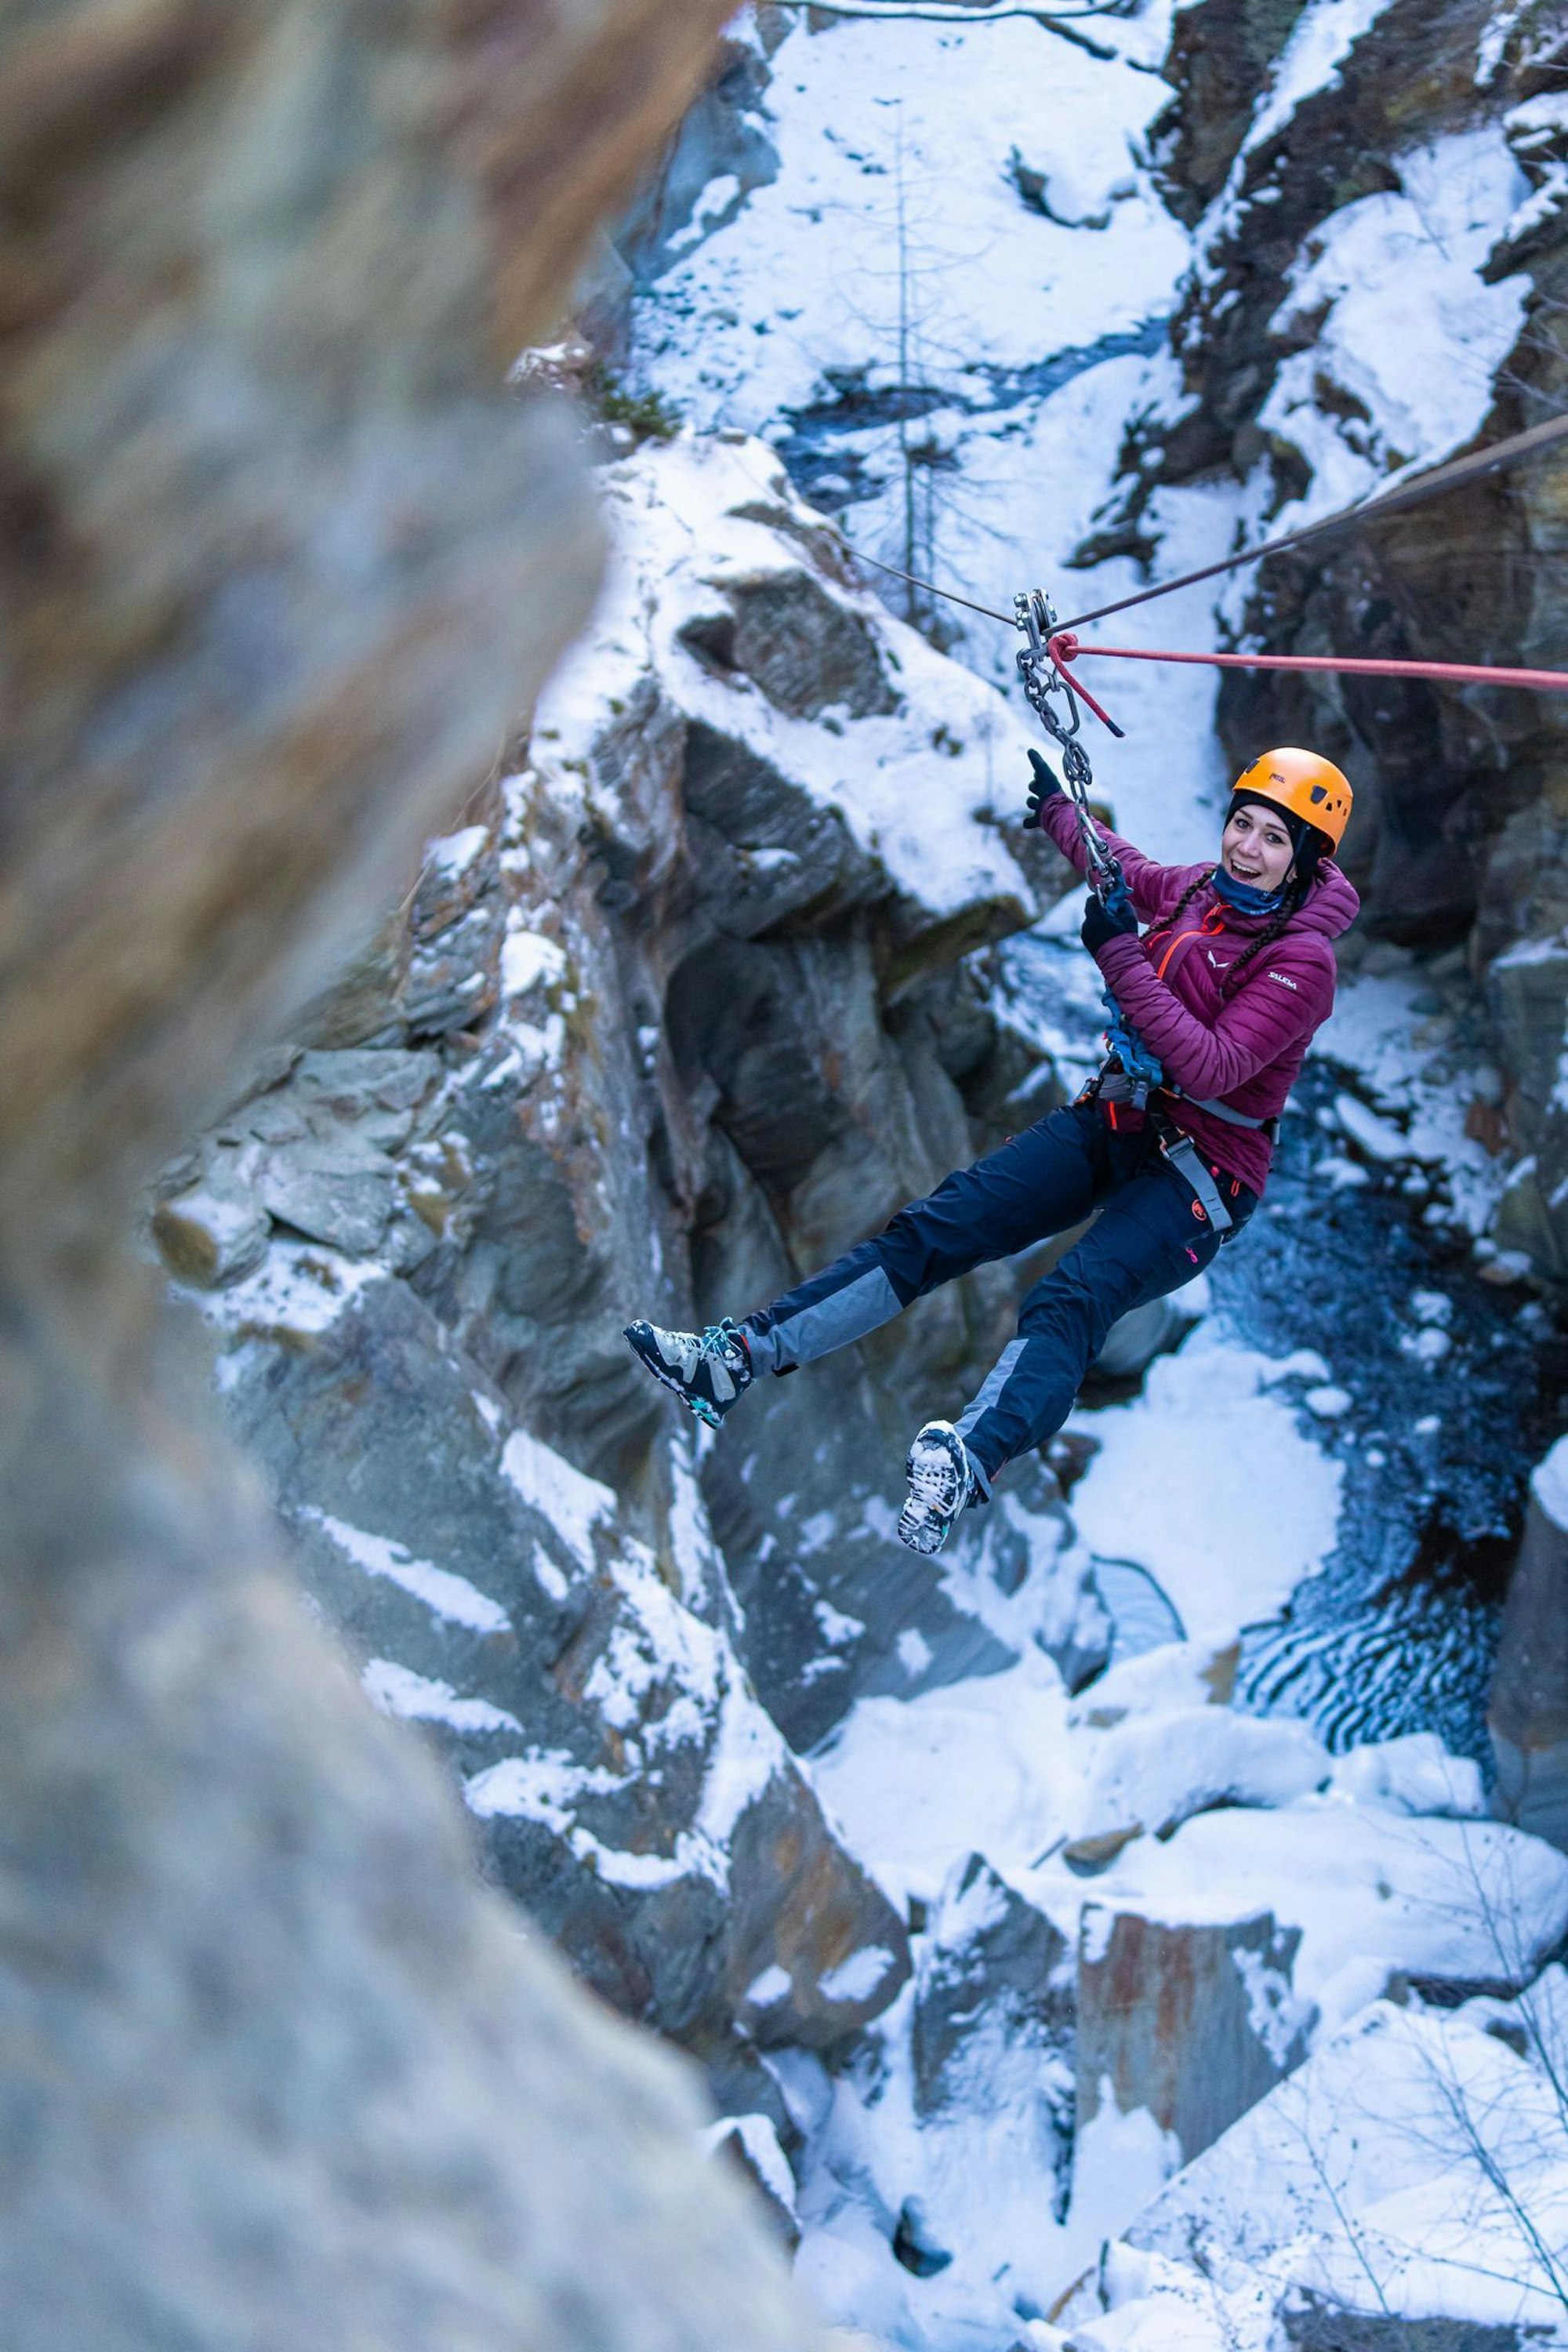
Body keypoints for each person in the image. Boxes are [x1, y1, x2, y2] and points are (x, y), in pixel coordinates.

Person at [626, 746, 1359, 1555]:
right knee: (935, 1227)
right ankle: (737, 1358)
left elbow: (1210, 1064)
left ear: (1303, 864)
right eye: (1241, 824)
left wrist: (1118, 956)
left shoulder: (1302, 961)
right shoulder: (1197, 889)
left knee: (1068, 1300)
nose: (1245, 849)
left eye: (1271, 840)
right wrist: (1058, 815)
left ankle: (965, 1463)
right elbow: (1128, 874)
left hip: (1201, 1174)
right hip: (1119, 1119)